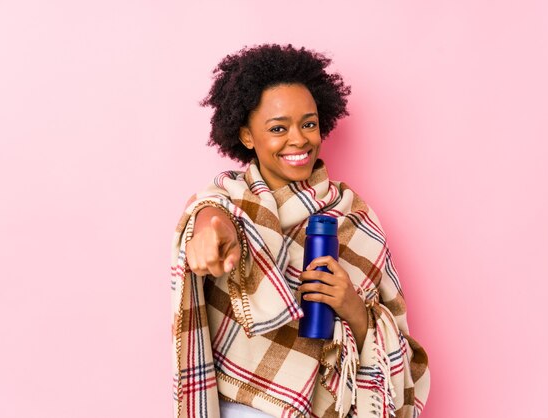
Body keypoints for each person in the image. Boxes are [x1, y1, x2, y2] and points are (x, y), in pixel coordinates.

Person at [171, 44, 430, 418]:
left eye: (308, 124)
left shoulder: (354, 216)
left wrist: (352, 307)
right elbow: (209, 216)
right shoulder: (224, 203)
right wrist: (210, 227)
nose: (299, 139)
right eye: (278, 128)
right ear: (246, 136)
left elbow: (398, 353)